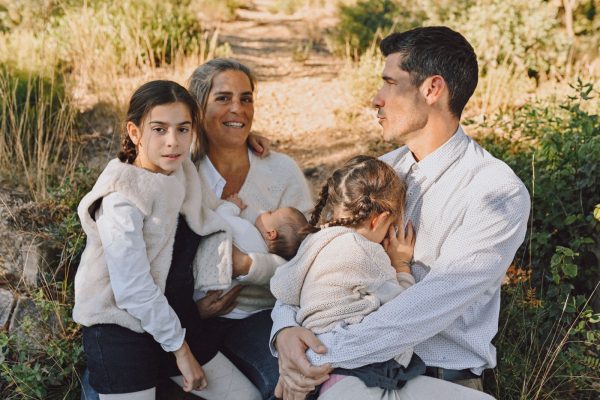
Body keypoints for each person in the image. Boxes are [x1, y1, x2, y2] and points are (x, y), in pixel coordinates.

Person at [270, 26, 531, 400]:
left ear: (432, 89)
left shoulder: (495, 192)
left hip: (438, 382)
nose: (376, 99)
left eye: (389, 83)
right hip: (340, 371)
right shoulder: (380, 171)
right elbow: (318, 253)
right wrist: (284, 333)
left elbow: (427, 307)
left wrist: (317, 355)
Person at [73, 80, 261, 400]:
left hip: (176, 319)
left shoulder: (180, 169)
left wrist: (250, 141)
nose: (173, 142)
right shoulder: (121, 199)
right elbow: (133, 290)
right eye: (159, 130)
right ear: (134, 132)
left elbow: (201, 213)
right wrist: (181, 351)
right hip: (121, 330)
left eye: (183, 129)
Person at [187, 58, 313, 399]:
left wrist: (251, 266)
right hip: (194, 317)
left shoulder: (281, 171)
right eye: (223, 98)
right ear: (197, 108)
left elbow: (307, 262)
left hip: (265, 313)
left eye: (246, 99)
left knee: (291, 383)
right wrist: (193, 312)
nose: (238, 109)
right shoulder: (182, 173)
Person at [270, 155, 428, 397]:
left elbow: (283, 288)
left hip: (313, 356)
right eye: (391, 226)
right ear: (380, 220)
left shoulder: (314, 241)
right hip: (356, 367)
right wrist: (402, 266)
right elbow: (401, 308)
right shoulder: (367, 251)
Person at [200, 194, 313, 319]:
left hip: (205, 285)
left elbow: (221, 216)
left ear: (271, 234)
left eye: (270, 213)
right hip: (235, 309)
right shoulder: (272, 259)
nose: (265, 211)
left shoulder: (247, 230)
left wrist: (232, 205)